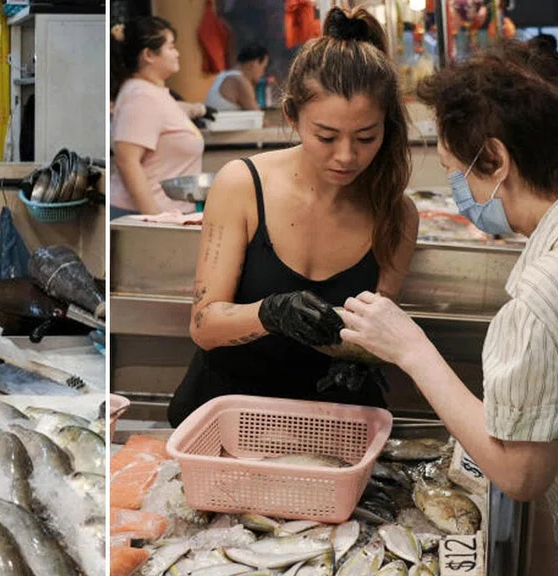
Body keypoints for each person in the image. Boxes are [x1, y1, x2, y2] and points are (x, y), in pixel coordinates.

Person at [340, 41, 558, 573]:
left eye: (457, 170)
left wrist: (411, 348)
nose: (458, 191)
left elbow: (520, 476)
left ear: (496, 160)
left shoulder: (547, 289)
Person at [167, 7, 419, 427]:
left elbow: (376, 328)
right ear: (292, 117)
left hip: (332, 423)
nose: (346, 156)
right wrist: (271, 312)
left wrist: (362, 358)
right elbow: (204, 324)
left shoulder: (396, 213)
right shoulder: (243, 185)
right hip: (230, 416)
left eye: (366, 137)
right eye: (326, 136)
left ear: (386, 129)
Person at [109, 17, 204, 219]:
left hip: (168, 214)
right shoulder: (141, 96)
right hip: (141, 215)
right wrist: (154, 220)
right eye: (171, 47)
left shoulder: (154, 93)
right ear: (149, 55)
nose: (177, 53)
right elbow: (127, 161)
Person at [204, 43, 269, 112]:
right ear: (255, 63)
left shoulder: (223, 75)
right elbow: (258, 117)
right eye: (263, 68)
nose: (263, 73)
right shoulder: (240, 81)